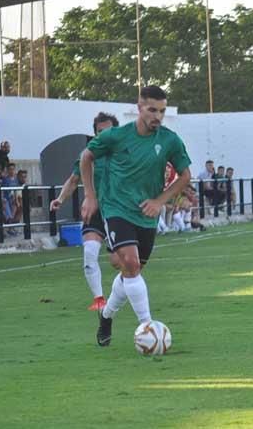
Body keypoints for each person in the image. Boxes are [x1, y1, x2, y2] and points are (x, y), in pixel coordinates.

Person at [80, 86, 192, 347]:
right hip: (116, 208)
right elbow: (86, 157)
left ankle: (106, 315)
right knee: (129, 263)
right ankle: (148, 327)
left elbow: (185, 176)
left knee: (133, 271)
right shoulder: (116, 136)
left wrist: (159, 201)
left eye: (162, 111)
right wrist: (90, 195)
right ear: (139, 108)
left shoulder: (170, 140)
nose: (158, 116)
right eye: (152, 110)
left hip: (147, 215)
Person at [50, 112, 119, 311]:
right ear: (95, 134)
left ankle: (124, 292)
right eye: (99, 132)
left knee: (118, 262)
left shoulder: (125, 152)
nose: (103, 135)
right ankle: (99, 299)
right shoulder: (88, 155)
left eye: (108, 131)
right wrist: (60, 199)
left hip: (119, 211)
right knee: (89, 252)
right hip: (95, 209)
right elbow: (73, 180)